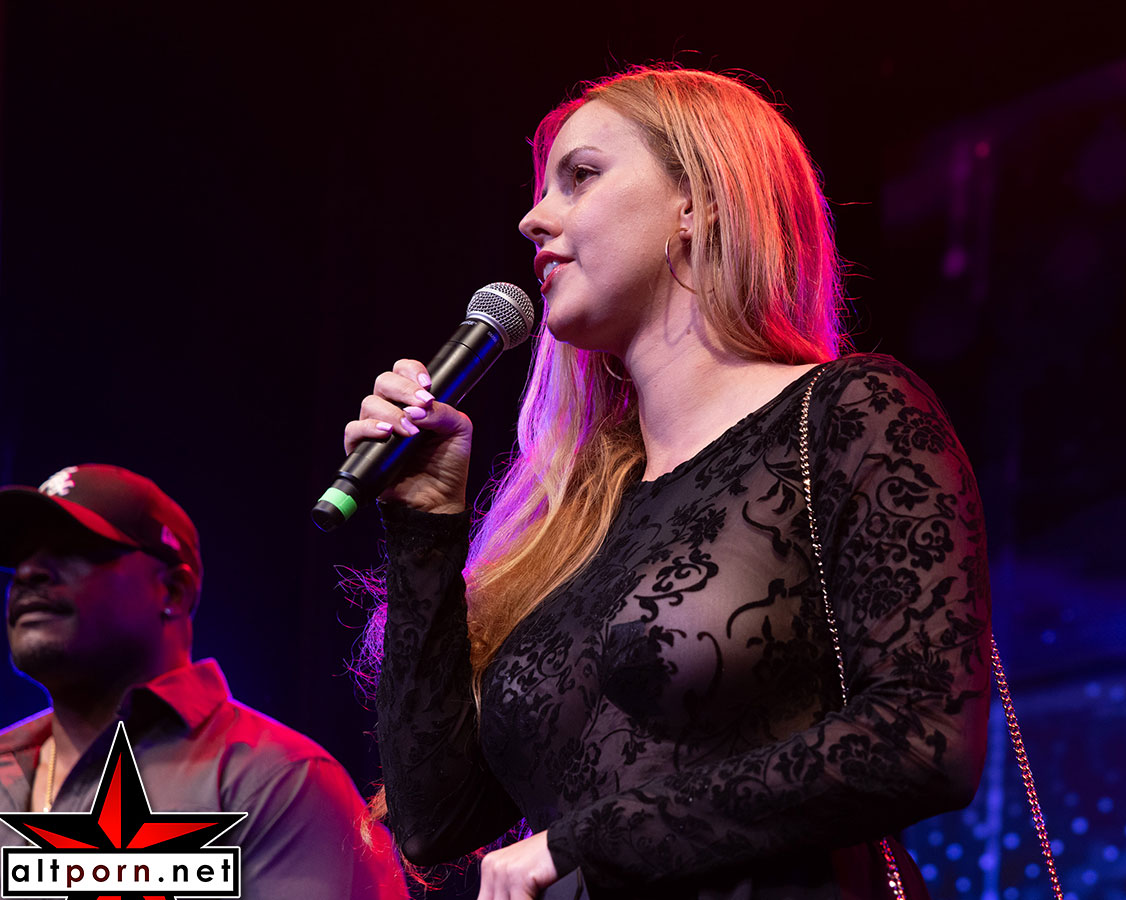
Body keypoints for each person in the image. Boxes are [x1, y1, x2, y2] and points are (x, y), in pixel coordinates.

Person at [351, 65, 991, 900]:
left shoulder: (851, 413)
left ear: (699, 201)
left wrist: (584, 842)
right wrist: (425, 526)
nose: (533, 217)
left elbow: (923, 737)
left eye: (580, 176)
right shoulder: (577, 514)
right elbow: (433, 820)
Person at [0, 463, 409, 898]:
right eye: (21, 556)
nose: (29, 572)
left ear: (173, 591)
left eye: (74, 548)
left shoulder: (281, 781)